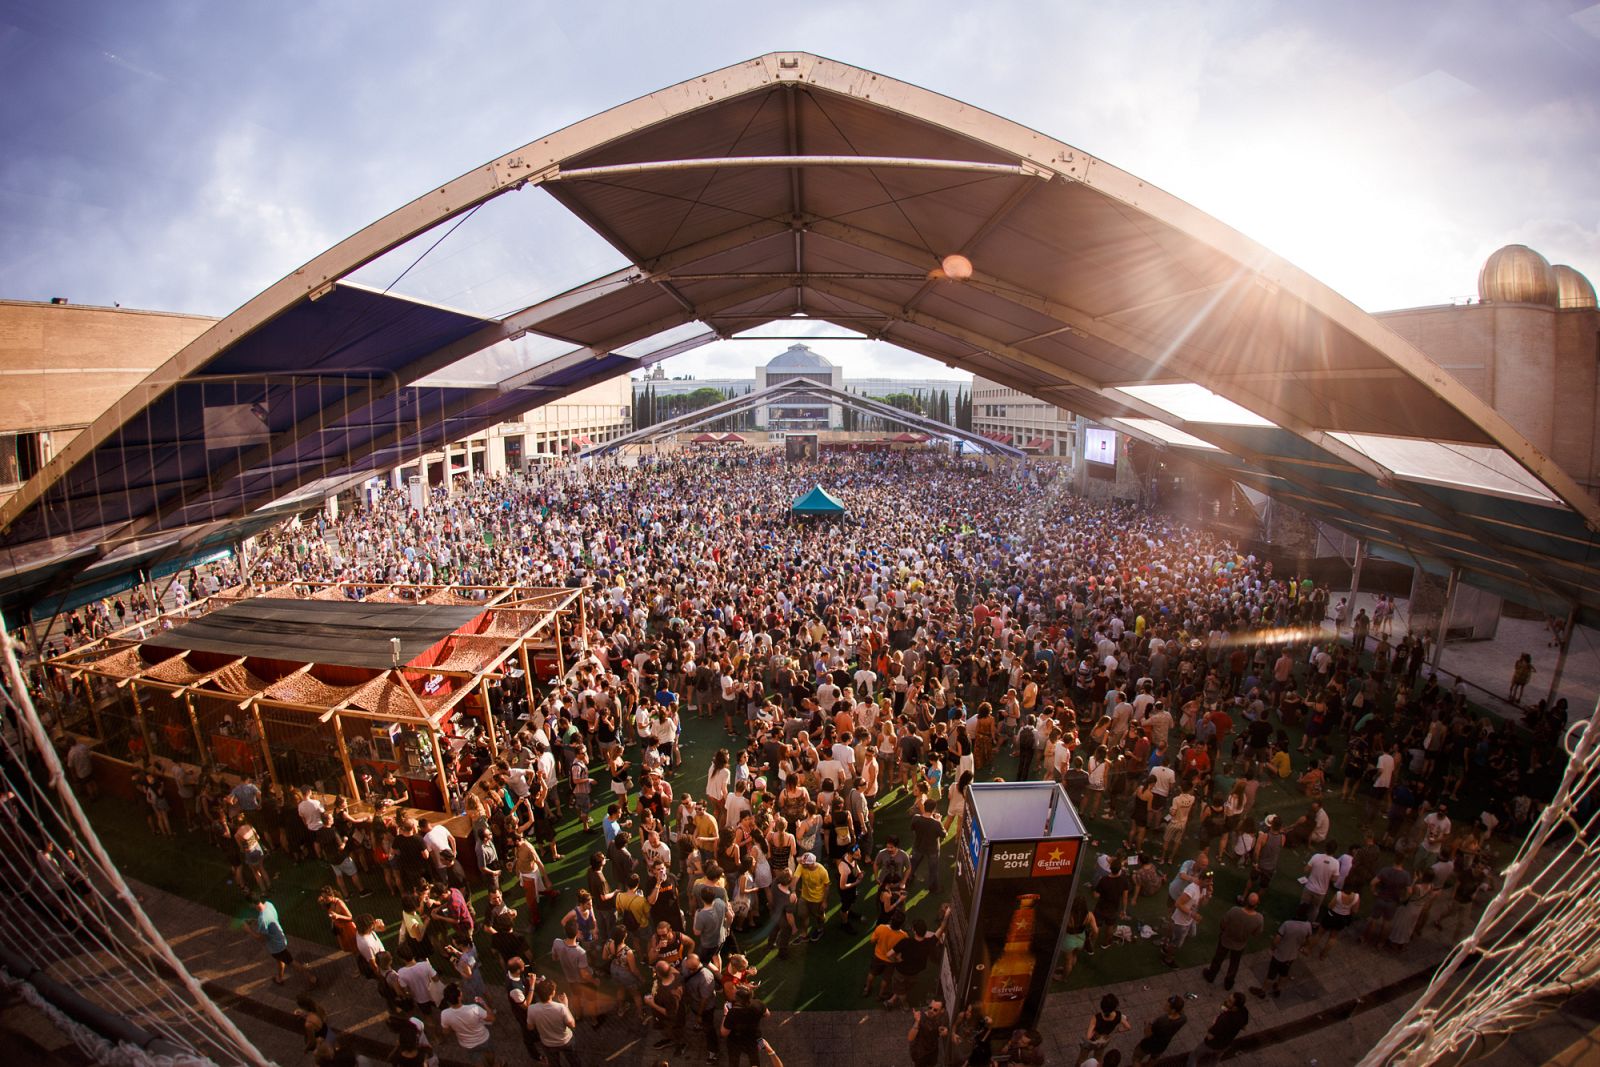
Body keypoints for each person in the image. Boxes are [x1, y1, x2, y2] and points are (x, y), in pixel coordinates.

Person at [1201, 892, 1263, 991]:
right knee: (1234, 963)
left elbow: (1223, 923)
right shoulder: (1259, 919)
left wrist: (1224, 931)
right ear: (1256, 905)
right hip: (1240, 944)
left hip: (1226, 939)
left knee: (1218, 959)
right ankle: (1228, 983)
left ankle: (1211, 975)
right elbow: (1256, 934)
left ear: (1246, 901)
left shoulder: (1234, 911)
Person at [1251, 905, 1316, 999]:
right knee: (1284, 973)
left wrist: (1273, 948)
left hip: (1279, 955)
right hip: (1292, 956)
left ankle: (1263, 991)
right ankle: (1278, 989)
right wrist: (1302, 946)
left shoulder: (1287, 924)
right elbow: (1308, 940)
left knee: (1271, 975)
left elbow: (1277, 939)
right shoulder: (1308, 926)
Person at [249, 899, 317, 987]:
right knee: (280, 960)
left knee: (290, 961)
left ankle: (311, 978)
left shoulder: (262, 919)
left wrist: (247, 929)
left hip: (276, 946)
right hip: (280, 940)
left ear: (253, 904)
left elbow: (261, 938)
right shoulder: (268, 904)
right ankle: (279, 978)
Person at [525, 976, 581, 1067]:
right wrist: (566, 1006)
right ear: (553, 993)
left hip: (548, 1044)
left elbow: (530, 1027)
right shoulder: (560, 1008)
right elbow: (572, 1024)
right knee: (574, 1061)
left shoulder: (532, 1009)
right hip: (565, 1041)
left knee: (554, 1064)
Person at [438, 982, 497, 1067]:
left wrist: (455, 1025)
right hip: (483, 1038)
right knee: (489, 1053)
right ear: (460, 996)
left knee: (476, 1061)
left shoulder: (444, 1014)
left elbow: (446, 1032)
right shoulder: (474, 1008)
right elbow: (492, 1018)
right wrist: (484, 1003)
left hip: (467, 1044)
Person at [1187, 991, 1249, 1066]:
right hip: (1226, 1044)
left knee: (1194, 1055)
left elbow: (1210, 1036)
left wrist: (1213, 1024)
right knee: (1214, 1059)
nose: (1226, 1001)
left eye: (1229, 1001)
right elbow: (1244, 1027)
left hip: (1212, 1045)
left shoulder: (1224, 1019)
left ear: (1235, 1007)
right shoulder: (1244, 1011)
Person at [721, 983, 770, 1067]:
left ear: (737, 999)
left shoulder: (732, 1013)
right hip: (755, 1037)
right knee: (755, 1060)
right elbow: (767, 1014)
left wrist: (725, 1014)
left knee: (734, 1061)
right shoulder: (758, 1003)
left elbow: (724, 1033)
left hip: (736, 1040)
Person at [1132, 995, 1187, 1065]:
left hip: (1149, 1044)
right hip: (1162, 1046)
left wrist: (1149, 1024)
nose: (1164, 1005)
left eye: (1167, 1005)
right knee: (1153, 1059)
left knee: (1136, 1059)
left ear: (1173, 1010)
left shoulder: (1162, 1020)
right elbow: (1181, 1011)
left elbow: (1147, 1034)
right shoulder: (1183, 1019)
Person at [908, 999, 949, 1067]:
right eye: (930, 1008)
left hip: (933, 1049)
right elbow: (910, 1038)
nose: (931, 1011)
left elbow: (941, 1028)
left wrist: (946, 1031)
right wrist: (917, 1022)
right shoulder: (921, 1017)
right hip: (920, 1051)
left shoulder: (944, 1016)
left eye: (935, 1010)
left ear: (942, 1010)